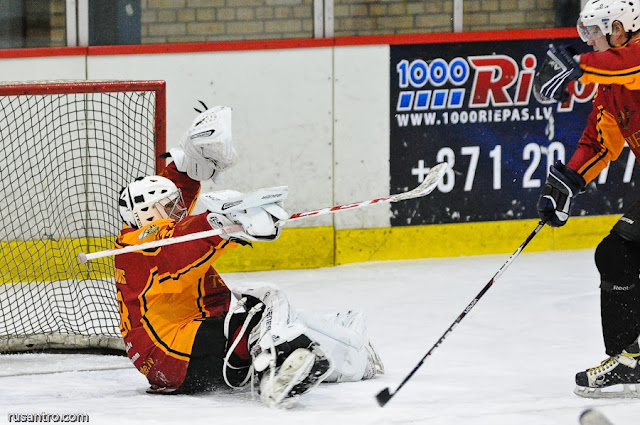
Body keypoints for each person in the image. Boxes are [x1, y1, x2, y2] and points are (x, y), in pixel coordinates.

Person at [114, 104, 384, 406]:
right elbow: (177, 244)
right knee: (264, 305)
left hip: (173, 355)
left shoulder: (141, 233)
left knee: (279, 316)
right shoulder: (141, 242)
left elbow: (175, 209)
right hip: (173, 353)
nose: (177, 210)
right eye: (168, 206)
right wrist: (219, 221)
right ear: (144, 213)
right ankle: (278, 371)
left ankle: (353, 353)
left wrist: (191, 162)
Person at [533, 0, 640, 398]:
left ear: (619, 27)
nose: (590, 41)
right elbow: (599, 141)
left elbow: (627, 63)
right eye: (585, 34)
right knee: (616, 254)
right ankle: (629, 358)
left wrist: (577, 64)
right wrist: (565, 182)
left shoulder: (629, 60)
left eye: (595, 32)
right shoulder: (611, 88)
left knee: (620, 252)